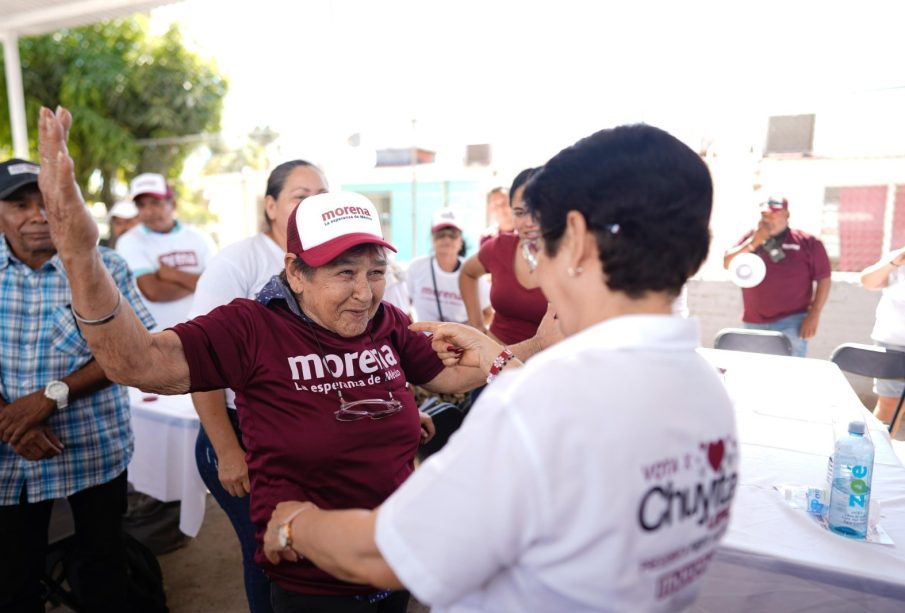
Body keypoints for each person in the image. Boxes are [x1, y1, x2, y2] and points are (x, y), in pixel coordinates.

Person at [36, 106, 554, 613]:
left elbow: (445, 374)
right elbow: (137, 362)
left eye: (375, 272)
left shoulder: (386, 322)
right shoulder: (252, 327)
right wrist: (82, 255)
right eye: (343, 274)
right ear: (297, 272)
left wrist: (537, 343)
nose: (365, 293)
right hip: (313, 579)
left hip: (393, 555)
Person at [261, 124, 739, 612]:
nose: (539, 269)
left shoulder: (542, 407)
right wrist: (501, 359)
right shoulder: (707, 391)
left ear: (574, 239)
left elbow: (383, 554)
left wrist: (294, 523)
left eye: (538, 243)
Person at [0, 157, 154, 612]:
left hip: (94, 449)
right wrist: (12, 421)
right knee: (12, 579)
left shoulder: (105, 267)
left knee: (103, 571)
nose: (38, 216)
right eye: (19, 204)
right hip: (9, 455)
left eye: (48, 202)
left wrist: (49, 398)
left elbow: (134, 351)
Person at [188, 159, 327, 613]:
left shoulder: (328, 258)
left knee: (302, 548)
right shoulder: (237, 263)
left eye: (320, 197)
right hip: (241, 434)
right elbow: (199, 361)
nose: (312, 207)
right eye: (299, 196)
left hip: (301, 433)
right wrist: (228, 450)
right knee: (269, 553)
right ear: (270, 205)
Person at [722, 196, 831, 357]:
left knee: (788, 375)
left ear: (786, 215)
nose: (768, 220)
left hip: (792, 322)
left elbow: (824, 279)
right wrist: (753, 242)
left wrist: (814, 314)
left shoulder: (807, 242)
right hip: (754, 322)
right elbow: (727, 262)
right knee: (754, 373)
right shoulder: (752, 238)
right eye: (765, 215)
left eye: (773, 215)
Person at [116, 172, 216, 331]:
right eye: (141, 205)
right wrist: (200, 282)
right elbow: (153, 292)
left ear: (173, 204)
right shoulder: (129, 241)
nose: (148, 211)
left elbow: (217, 284)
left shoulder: (199, 238)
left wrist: (174, 275)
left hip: (203, 333)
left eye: (156, 203)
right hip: (157, 341)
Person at [460, 168, 548, 345]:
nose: (529, 222)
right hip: (492, 362)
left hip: (546, 367)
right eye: (519, 212)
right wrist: (477, 328)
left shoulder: (574, 256)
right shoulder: (500, 246)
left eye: (536, 210)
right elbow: (468, 273)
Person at [405, 208, 491, 324]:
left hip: (458, 341)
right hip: (422, 340)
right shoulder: (416, 267)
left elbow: (488, 314)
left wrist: (461, 333)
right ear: (432, 238)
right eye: (440, 234)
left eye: (453, 234)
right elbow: (403, 306)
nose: (446, 239)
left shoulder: (472, 272)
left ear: (461, 241)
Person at [860, 246, 905, 435]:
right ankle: (879, 455)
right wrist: (894, 262)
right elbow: (867, 281)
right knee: (889, 402)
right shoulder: (897, 257)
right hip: (893, 341)